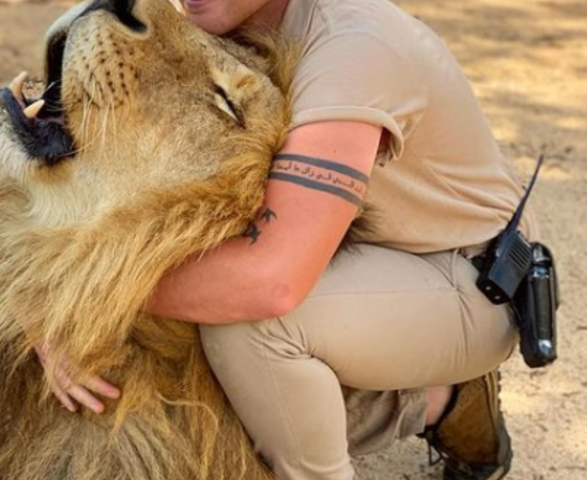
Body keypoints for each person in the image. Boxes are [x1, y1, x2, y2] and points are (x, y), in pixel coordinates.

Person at [35, 0, 537, 479]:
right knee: (214, 331)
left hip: (467, 280)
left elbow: (271, 283)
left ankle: (439, 401)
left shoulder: (355, 47)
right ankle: (401, 398)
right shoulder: (225, 15)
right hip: (347, 248)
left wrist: (69, 301)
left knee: (253, 323)